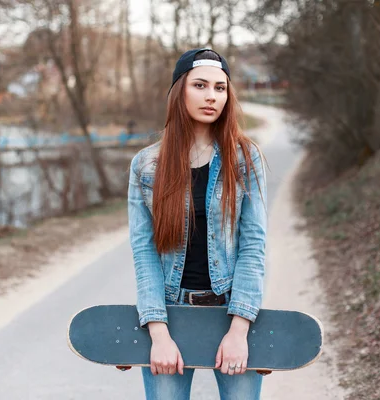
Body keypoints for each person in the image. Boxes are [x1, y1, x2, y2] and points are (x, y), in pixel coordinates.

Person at [127, 48, 267, 400]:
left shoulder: (245, 159)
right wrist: (158, 334)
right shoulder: (146, 166)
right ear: (179, 92)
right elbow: (144, 251)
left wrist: (239, 331)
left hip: (232, 310)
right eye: (200, 85)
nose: (211, 96)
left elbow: (253, 245)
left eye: (220, 88)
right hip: (169, 313)